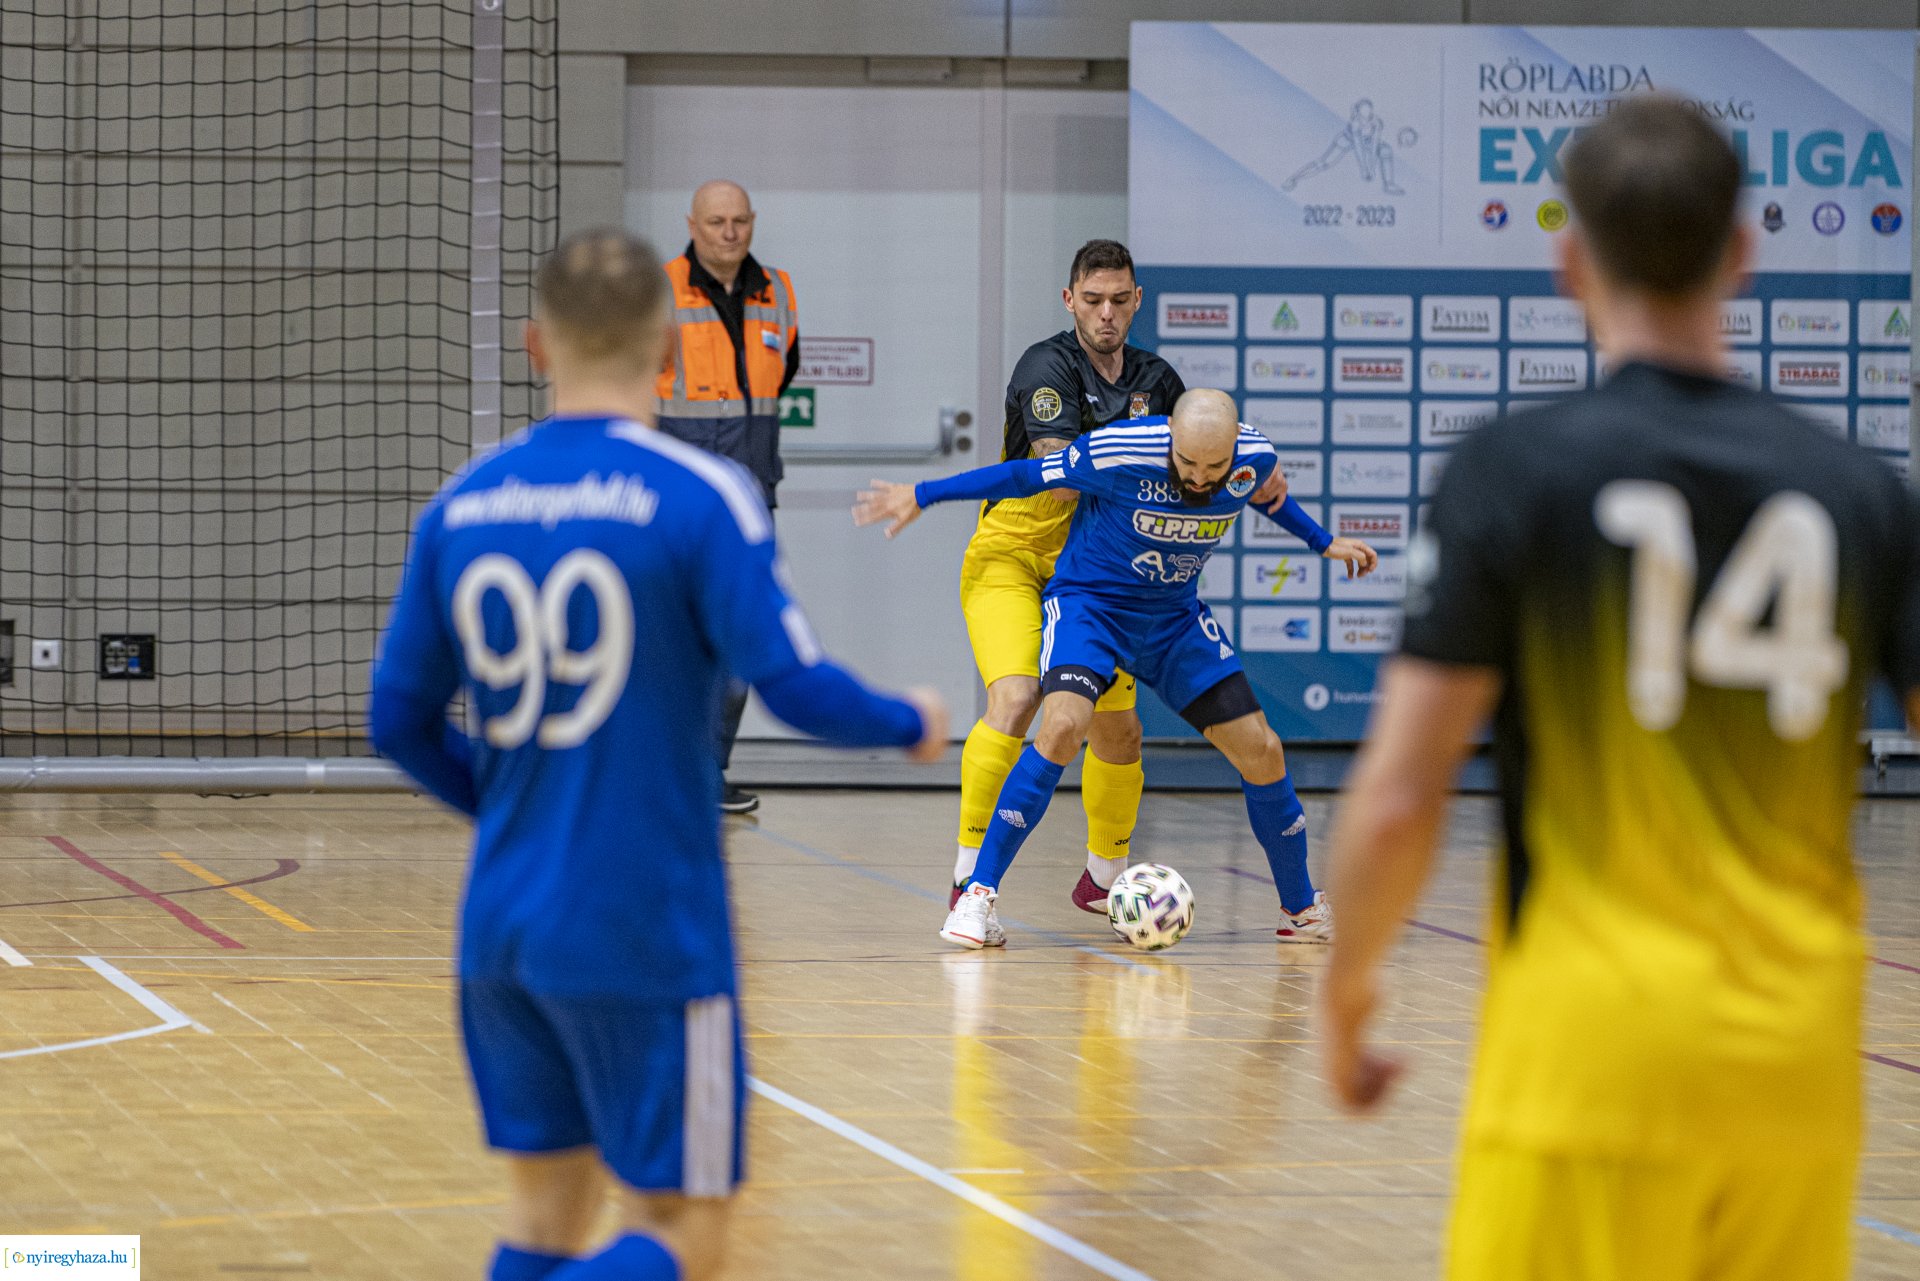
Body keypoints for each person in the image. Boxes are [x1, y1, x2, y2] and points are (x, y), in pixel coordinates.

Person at [1319, 96, 1920, 1281]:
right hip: (1796, 1081)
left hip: (1586, 1069)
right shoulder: (1864, 493)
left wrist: (1345, 995)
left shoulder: (1514, 471)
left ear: (1570, 262)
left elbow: (1399, 797)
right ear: (1742, 252)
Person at [370, 228, 946, 1281]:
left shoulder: (463, 503)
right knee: (685, 1234)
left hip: (500, 921)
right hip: (645, 924)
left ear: (537, 347)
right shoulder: (697, 497)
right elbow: (795, 685)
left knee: (546, 1219)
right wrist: (908, 721)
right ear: (669, 349)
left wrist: (504, 810)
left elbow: (393, 720)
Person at [857, 389, 1378, 948]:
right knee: (1060, 727)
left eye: (1215, 467)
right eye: (1187, 464)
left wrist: (1321, 542)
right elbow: (1021, 477)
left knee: (1264, 749)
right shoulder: (1116, 451)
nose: (1200, 480)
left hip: (1174, 621)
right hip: (1091, 608)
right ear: (1171, 439)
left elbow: (1268, 497)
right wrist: (924, 493)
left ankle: (1299, 908)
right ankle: (976, 898)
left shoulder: (1255, 458)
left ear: (1234, 451)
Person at [953, 238, 1283, 918]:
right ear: (1071, 300)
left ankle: (1104, 879)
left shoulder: (1159, 380)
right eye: (1093, 300)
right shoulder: (1046, 365)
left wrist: (1252, 469)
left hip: (1101, 573)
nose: (1106, 313)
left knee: (1120, 731)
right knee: (1019, 701)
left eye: (1119, 300)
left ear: (1137, 301)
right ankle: (968, 877)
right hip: (1017, 555)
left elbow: (1195, 456)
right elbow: (1063, 476)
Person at [656, 180, 801, 815]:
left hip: (747, 497)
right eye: (717, 221)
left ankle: (705, 774)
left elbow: (782, 373)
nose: (730, 232)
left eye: (740, 220)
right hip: (671, 500)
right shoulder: (657, 290)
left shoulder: (780, 293)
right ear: (692, 223)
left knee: (738, 642)